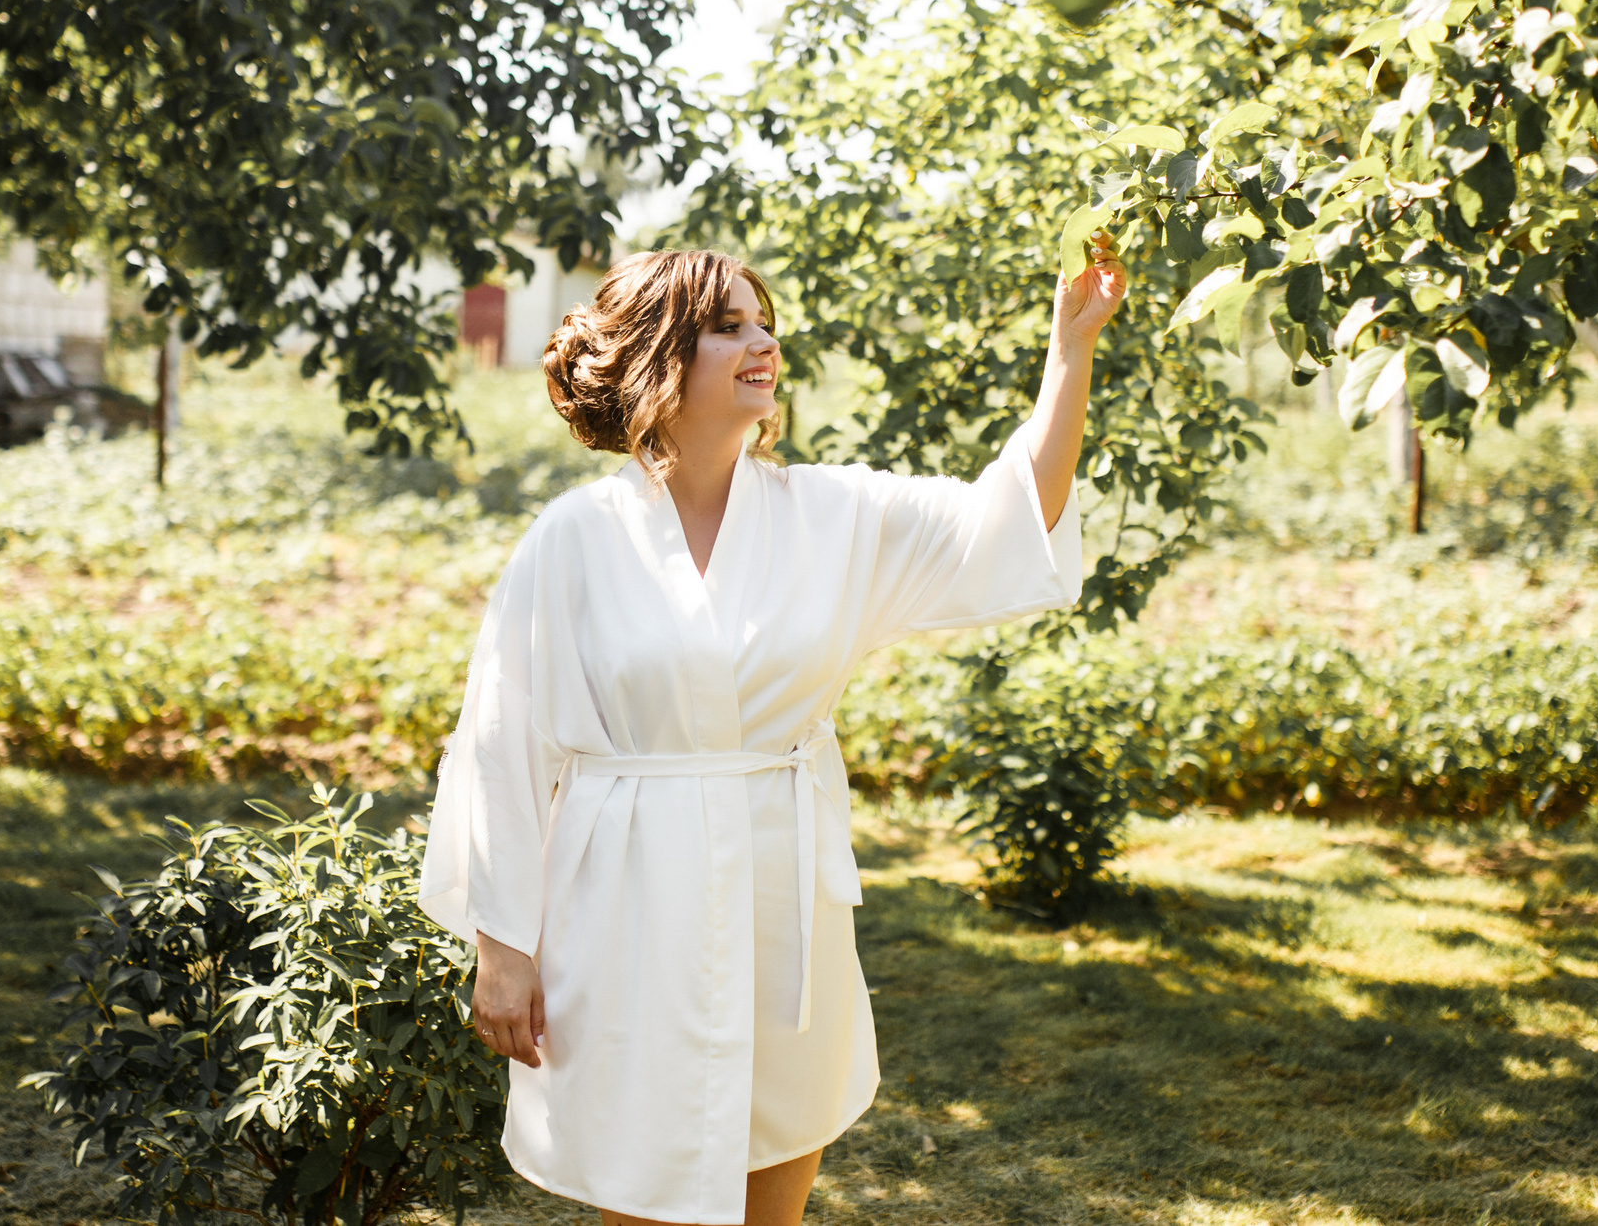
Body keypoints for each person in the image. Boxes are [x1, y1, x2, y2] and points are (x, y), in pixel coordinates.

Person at [418, 238, 1128, 1226]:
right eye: (726, 327)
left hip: (780, 907)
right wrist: (503, 945)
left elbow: (1005, 522)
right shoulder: (572, 540)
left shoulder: (833, 516)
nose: (761, 343)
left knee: (771, 1184)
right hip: (625, 909)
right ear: (661, 356)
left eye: (764, 325)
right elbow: (502, 741)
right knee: (641, 1178)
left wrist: (1069, 352)